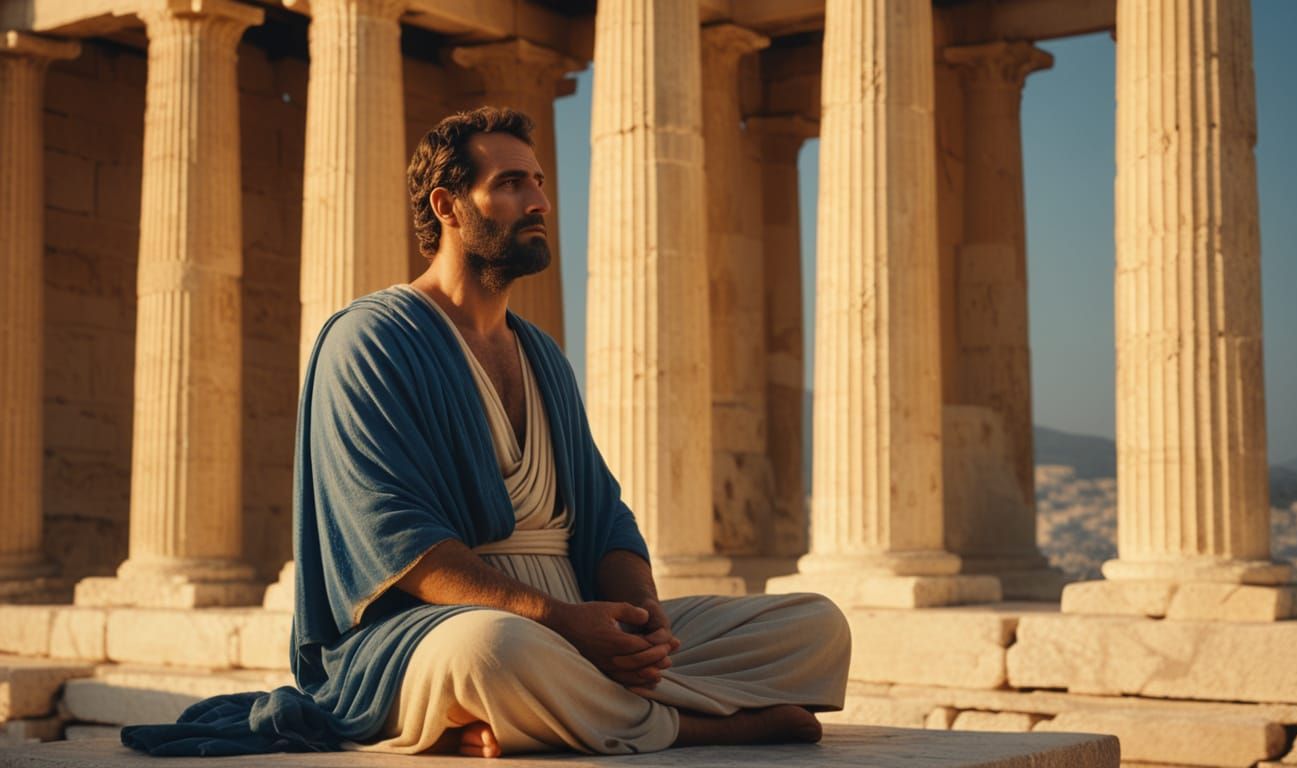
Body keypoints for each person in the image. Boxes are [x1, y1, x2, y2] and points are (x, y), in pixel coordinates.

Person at [125, 106, 850, 759]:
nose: (539, 201)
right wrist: (564, 623)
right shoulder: (368, 341)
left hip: (579, 628)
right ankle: (709, 725)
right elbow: (398, 544)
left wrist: (642, 625)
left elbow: (604, 517)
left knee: (815, 626)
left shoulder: (543, 356)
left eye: (538, 181)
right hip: (432, 631)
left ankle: (553, 717)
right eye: (510, 184)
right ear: (448, 206)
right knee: (495, 654)